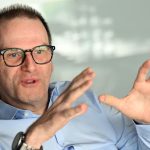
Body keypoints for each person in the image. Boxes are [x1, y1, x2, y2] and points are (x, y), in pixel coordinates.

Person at [0, 4, 150, 150]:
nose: (30, 66)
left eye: (40, 51)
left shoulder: (85, 99)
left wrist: (146, 123)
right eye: (13, 54)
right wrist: (30, 143)